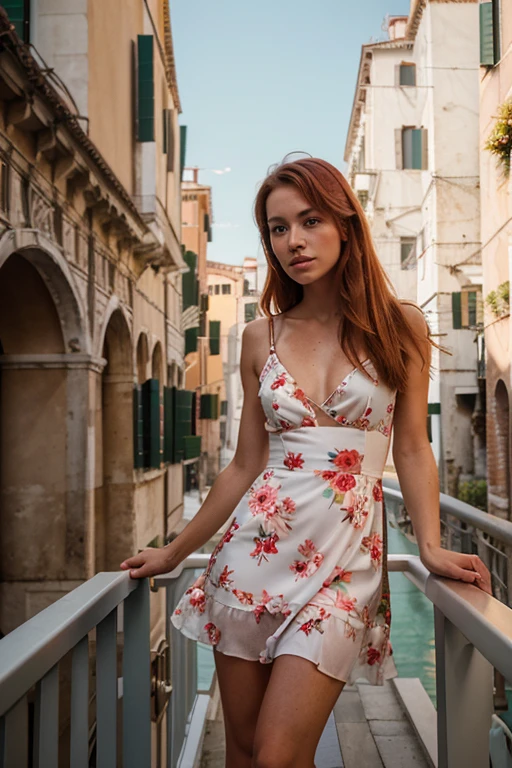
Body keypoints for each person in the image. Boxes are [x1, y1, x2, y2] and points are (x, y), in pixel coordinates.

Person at [121, 157, 491, 768]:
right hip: (252, 557)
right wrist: (173, 552)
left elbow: (412, 447)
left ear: (345, 223)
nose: (292, 240)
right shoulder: (257, 338)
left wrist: (429, 545)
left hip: (345, 569)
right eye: (277, 228)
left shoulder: (403, 327)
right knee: (243, 751)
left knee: (278, 755)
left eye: (309, 220)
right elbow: (244, 466)